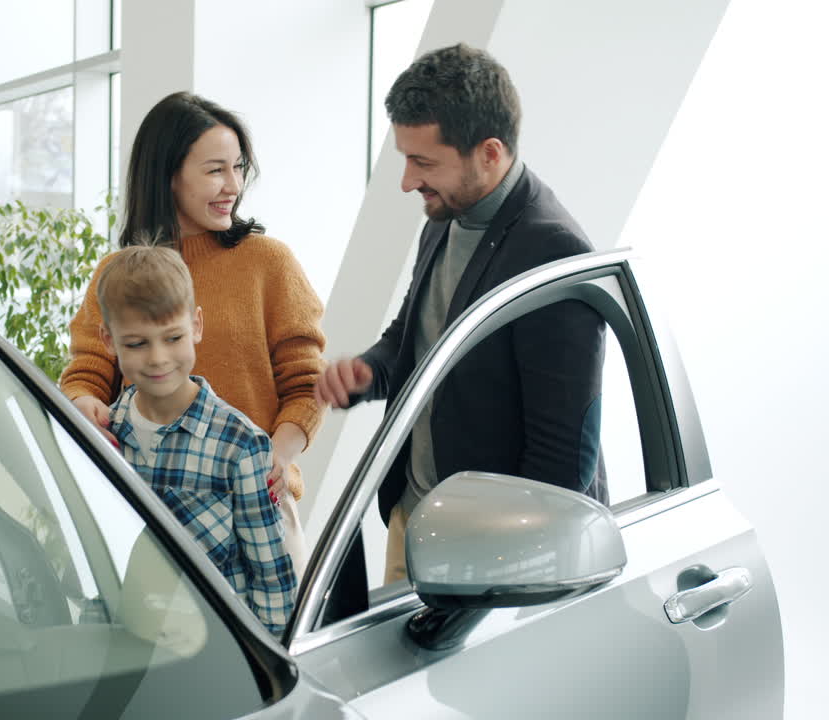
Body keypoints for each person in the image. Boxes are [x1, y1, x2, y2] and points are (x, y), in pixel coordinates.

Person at [314, 44, 606, 584]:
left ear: (489, 153)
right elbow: (416, 335)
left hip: (492, 556)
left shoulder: (553, 251)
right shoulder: (446, 215)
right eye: (406, 159)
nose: (407, 181)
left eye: (424, 163)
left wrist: (498, 569)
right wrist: (369, 372)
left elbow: (562, 461)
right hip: (416, 521)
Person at [60, 91, 324, 576]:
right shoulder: (118, 272)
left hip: (258, 510)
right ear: (169, 175)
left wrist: (274, 456)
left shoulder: (269, 263)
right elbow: (88, 370)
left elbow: (307, 384)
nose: (233, 185)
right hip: (149, 512)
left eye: (238, 167)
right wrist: (83, 403)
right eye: (215, 170)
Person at [95, 243, 296, 636]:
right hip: (126, 644)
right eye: (137, 343)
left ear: (197, 326)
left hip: (220, 649)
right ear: (108, 340)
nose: (157, 358)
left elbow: (271, 578)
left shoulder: (241, 445)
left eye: (173, 338)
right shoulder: (103, 436)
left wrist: (265, 659)